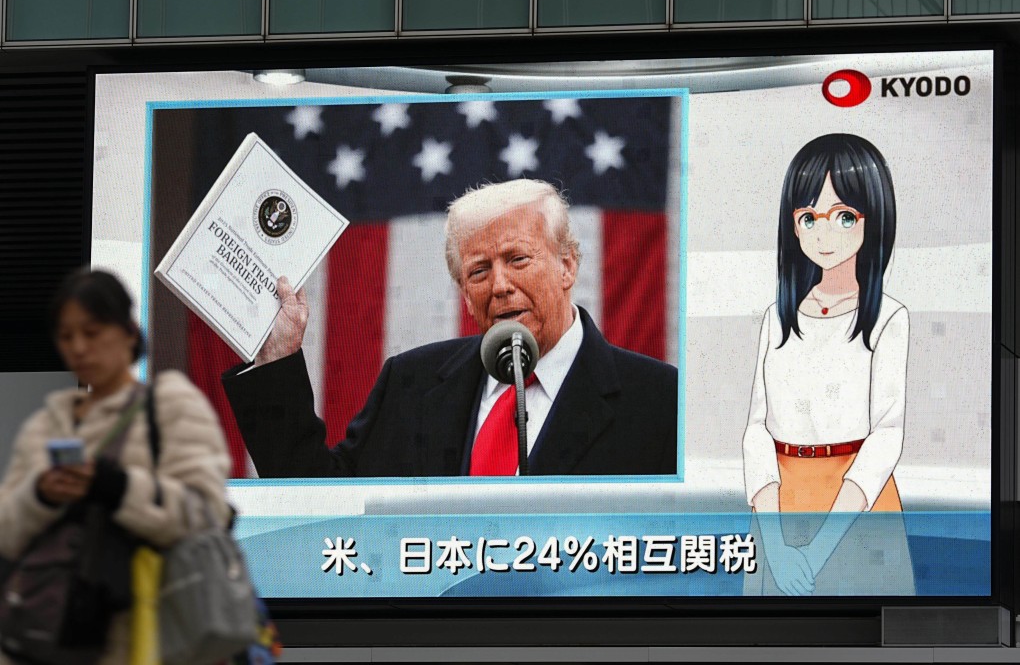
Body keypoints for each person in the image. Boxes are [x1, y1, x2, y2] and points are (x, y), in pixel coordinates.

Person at [223, 178, 678, 477]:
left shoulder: (658, 400)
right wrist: (278, 357)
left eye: (518, 260)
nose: (500, 286)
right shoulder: (412, 384)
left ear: (567, 265)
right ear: (464, 292)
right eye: (479, 272)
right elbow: (322, 500)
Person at [0, 269, 232, 665]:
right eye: (66, 336)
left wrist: (116, 487)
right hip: (43, 642)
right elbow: (5, 533)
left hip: (148, 641)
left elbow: (208, 515)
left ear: (127, 332)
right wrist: (40, 494)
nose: (78, 348)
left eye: (91, 333)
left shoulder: (171, 406)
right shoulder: (46, 425)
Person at [741, 133, 914, 596]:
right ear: (793, 225)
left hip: (857, 505)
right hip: (779, 502)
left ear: (871, 220)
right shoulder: (776, 318)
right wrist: (775, 546)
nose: (824, 234)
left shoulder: (888, 318)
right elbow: (757, 429)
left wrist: (815, 554)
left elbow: (887, 434)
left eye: (843, 217)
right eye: (808, 217)